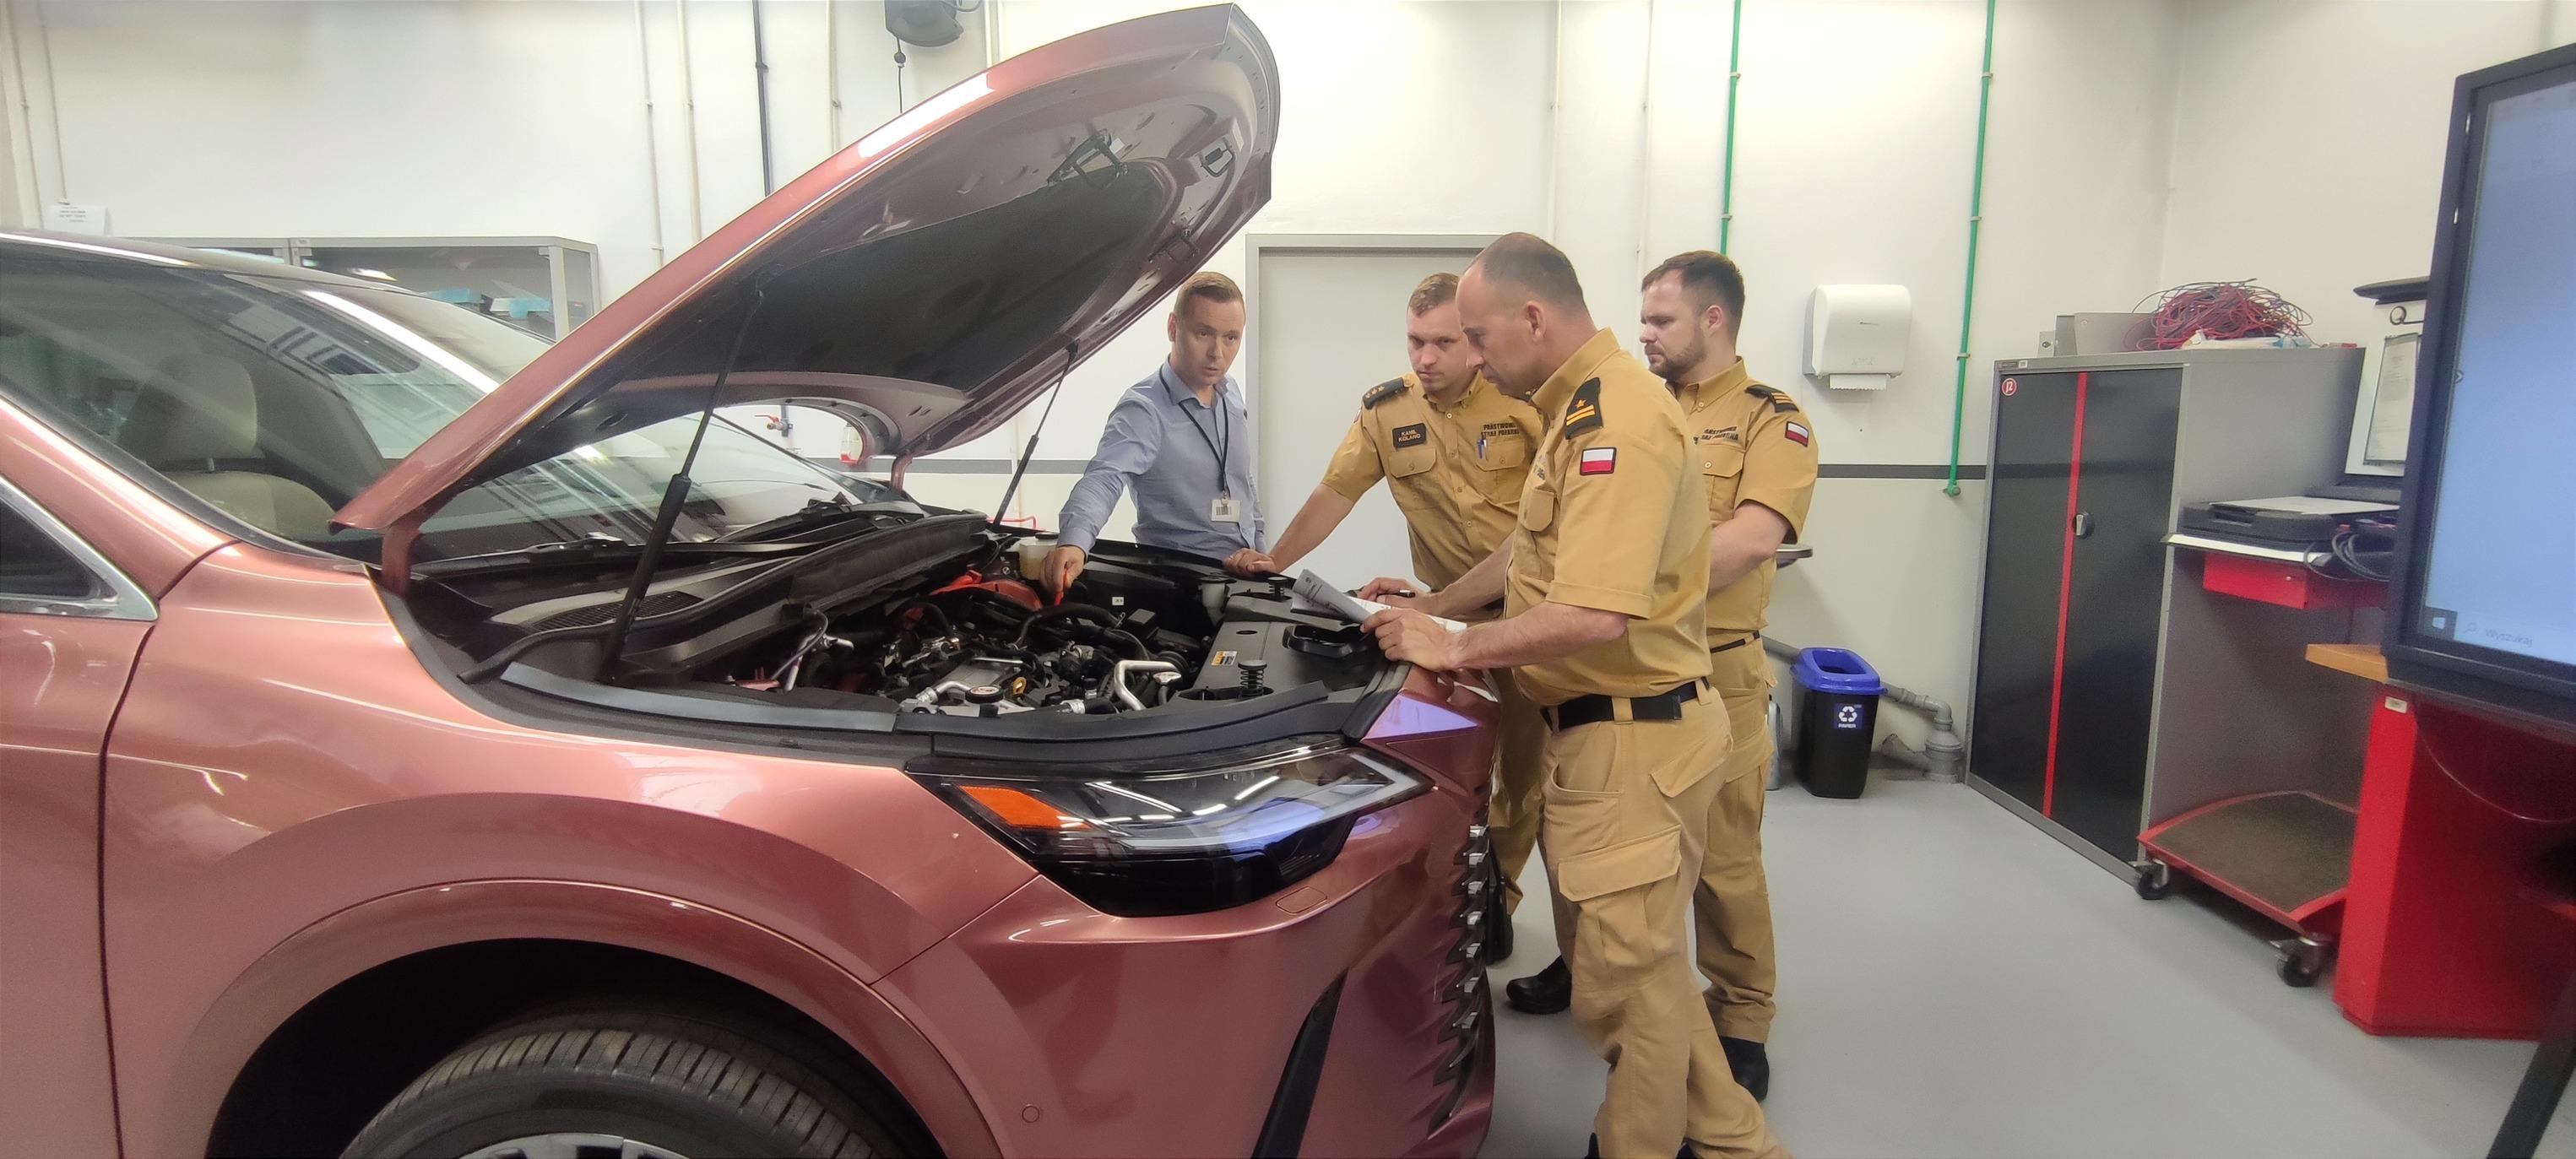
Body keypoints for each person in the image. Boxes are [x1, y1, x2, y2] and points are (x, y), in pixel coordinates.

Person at [1362, 234, 1784, 1159]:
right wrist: (1433, 608)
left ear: (1532, 318)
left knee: (1629, 988)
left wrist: (1457, 644)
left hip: (1633, 738)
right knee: (1643, 973)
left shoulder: (1615, 418)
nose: (1471, 360)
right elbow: (1529, 551)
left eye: (1476, 338)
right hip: (1601, 735)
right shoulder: (1575, 406)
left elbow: (1594, 611)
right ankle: (1733, 1141)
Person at [1504, 251, 1819, 1105]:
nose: (1644, 333)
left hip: (1711, 669)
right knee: (1587, 848)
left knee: (1722, 859)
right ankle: (1589, 964)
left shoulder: (1770, 419)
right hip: (1602, 670)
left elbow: (1752, 537)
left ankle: (1741, 1014)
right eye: (1641, 318)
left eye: (1662, 320)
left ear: (1715, 319)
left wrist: (1617, 583)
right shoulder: (1622, 406)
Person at [1222, 272, 1548, 960]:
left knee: (1524, 780)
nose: (1425, 358)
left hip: (1526, 616)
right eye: (1414, 341)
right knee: (1455, 767)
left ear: (1474, 342)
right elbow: (1335, 492)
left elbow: (1538, 535)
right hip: (1444, 617)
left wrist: (1434, 605)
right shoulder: (1387, 410)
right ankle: (1459, 903)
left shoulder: (1526, 403)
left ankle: (1498, 903)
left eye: (1442, 343)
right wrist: (1274, 560)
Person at [1045, 272, 1264, 594]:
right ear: (1173, 328)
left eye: (1230, 338)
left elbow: (1242, 480)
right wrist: (1074, 542)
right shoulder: (1143, 410)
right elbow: (1104, 477)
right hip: (1182, 588)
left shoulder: (1230, 391)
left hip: (1246, 579)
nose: (1217, 353)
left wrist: (1261, 546)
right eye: (1203, 333)